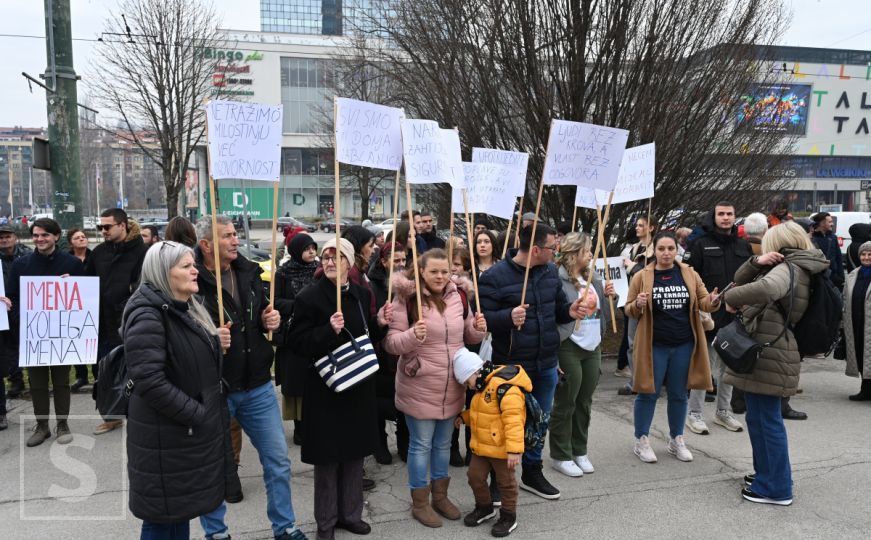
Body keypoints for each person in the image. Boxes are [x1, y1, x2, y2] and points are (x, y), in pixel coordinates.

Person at [194, 216, 305, 540]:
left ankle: (284, 527)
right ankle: (216, 533)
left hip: (257, 384)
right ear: (206, 245)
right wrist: (208, 336)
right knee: (214, 466)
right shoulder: (190, 278)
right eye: (227, 236)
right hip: (216, 388)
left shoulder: (249, 272)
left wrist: (270, 319)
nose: (234, 241)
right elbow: (181, 331)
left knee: (278, 462)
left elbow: (260, 317)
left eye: (234, 234)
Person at [123, 241, 233, 540]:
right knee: (162, 522)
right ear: (162, 273)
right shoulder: (149, 315)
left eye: (193, 264)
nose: (195, 270)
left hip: (180, 440)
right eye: (186, 266)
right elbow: (149, 380)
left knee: (176, 517)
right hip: (167, 442)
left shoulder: (183, 308)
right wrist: (197, 413)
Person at [286, 238, 390, 540]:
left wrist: (379, 323)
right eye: (326, 257)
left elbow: (363, 333)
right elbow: (297, 343)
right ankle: (326, 523)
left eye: (336, 257)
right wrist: (327, 331)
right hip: (326, 390)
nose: (330, 262)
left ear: (349, 262)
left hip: (358, 387)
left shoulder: (359, 292)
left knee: (354, 455)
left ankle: (350, 515)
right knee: (329, 460)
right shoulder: (309, 297)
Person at [721, 221, 829, 506]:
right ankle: (765, 475)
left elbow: (768, 289)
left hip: (772, 351)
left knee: (767, 421)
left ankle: (777, 487)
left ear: (778, 243)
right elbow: (741, 278)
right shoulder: (792, 264)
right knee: (758, 419)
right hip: (770, 350)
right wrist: (756, 261)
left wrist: (729, 298)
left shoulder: (788, 269)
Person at [478, 224, 586, 500]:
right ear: (536, 249)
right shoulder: (494, 277)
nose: (557, 252)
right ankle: (499, 479)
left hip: (546, 362)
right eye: (553, 247)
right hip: (512, 365)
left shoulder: (550, 272)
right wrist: (507, 318)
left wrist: (571, 311)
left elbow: (559, 311)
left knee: (539, 421)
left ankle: (532, 471)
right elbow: (482, 321)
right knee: (507, 423)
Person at [385, 248, 487, 527]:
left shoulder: (459, 296)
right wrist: (410, 336)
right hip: (419, 382)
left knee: (443, 444)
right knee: (420, 445)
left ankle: (440, 497)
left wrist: (479, 328)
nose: (441, 276)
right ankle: (420, 503)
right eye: (434, 271)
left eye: (445, 271)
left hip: (452, 384)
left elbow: (467, 335)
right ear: (421, 272)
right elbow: (391, 343)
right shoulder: (405, 298)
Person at [624, 231, 720, 464]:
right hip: (653, 345)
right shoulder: (642, 276)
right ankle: (641, 440)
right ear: (654, 251)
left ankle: (676, 439)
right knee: (648, 392)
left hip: (684, 344)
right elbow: (628, 309)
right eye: (661, 249)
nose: (666, 253)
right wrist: (637, 304)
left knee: (679, 394)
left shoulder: (688, 273)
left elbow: (704, 300)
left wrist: (714, 302)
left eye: (670, 249)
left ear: (677, 250)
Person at [8, 218, 84, 447]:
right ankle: (42, 426)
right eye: (36, 235)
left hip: (61, 333)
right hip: (34, 334)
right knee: (37, 381)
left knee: (61, 380)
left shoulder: (72, 264)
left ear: (56, 236)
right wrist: (16, 312)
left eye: (45, 235)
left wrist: (74, 286)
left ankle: (62, 424)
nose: (40, 239)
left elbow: (85, 297)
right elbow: (13, 296)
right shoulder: (22, 265)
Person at [550, 233, 616, 477]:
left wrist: (611, 295)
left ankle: (580, 450)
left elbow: (601, 309)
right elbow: (554, 313)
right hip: (569, 344)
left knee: (584, 402)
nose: (591, 254)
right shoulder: (557, 278)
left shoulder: (593, 275)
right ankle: (560, 454)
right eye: (587, 250)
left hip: (593, 345)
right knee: (566, 401)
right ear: (575, 252)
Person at [682, 202, 750, 435]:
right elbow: (689, 278)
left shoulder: (743, 245)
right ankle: (694, 414)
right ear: (714, 217)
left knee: (728, 367)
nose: (726, 218)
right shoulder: (700, 244)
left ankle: (723, 412)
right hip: (708, 315)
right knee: (705, 367)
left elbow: (751, 278)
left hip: (736, 316)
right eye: (721, 214)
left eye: (730, 214)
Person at [454, 349, 530, 538]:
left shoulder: (504, 387)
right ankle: (484, 507)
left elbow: (514, 421)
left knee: (506, 483)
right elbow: (483, 415)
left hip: (503, 449)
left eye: (466, 381)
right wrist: (464, 418)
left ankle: (508, 516)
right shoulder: (482, 387)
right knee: (474, 476)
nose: (468, 387)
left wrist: (514, 450)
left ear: (474, 372)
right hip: (482, 447)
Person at [85, 208, 149, 428]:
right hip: (102, 323)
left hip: (129, 322)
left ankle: (140, 414)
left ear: (122, 225)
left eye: (107, 226)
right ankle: (112, 417)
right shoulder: (98, 252)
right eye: (100, 227)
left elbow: (144, 286)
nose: (103, 231)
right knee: (105, 371)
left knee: (135, 370)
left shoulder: (142, 252)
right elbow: (87, 281)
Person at [273, 233, 319, 446]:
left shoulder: (319, 270)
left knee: (315, 381)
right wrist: (299, 305)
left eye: (313, 247)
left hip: (315, 332)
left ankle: (314, 423)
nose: (311, 252)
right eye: (306, 248)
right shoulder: (283, 273)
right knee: (297, 384)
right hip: (292, 336)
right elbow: (275, 302)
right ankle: (300, 427)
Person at [367, 242, 409, 464]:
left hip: (402, 346)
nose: (401, 265)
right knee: (379, 401)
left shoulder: (409, 285)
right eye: (396, 260)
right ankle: (379, 442)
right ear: (383, 261)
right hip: (380, 348)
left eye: (404, 260)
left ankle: (404, 442)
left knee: (403, 399)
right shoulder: (372, 285)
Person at [617, 216, 658, 395]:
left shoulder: (657, 249)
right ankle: (635, 380)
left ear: (651, 228)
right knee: (632, 343)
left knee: (651, 343)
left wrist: (632, 267)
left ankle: (653, 379)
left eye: (642, 225)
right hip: (633, 301)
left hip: (651, 302)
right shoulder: (632, 249)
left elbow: (652, 273)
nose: (637, 228)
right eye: (637, 225)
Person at [0, 224, 31, 400]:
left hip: (25, 305)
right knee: (9, 345)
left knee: (28, 342)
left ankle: (34, 379)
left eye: (7, 236)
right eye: (1, 237)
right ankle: (16, 379)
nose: (4, 240)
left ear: (15, 237)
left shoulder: (27, 255)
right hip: (3, 308)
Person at [843, 240, 871, 401]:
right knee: (861, 354)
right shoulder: (853, 275)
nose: (866, 257)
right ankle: (865, 389)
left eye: (869, 254)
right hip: (856, 322)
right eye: (863, 254)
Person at [810, 212, 845, 289]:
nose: (832, 224)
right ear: (822, 223)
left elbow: (838, 258)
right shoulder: (811, 239)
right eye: (830, 222)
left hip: (834, 278)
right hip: (818, 279)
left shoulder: (833, 237)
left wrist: (841, 277)